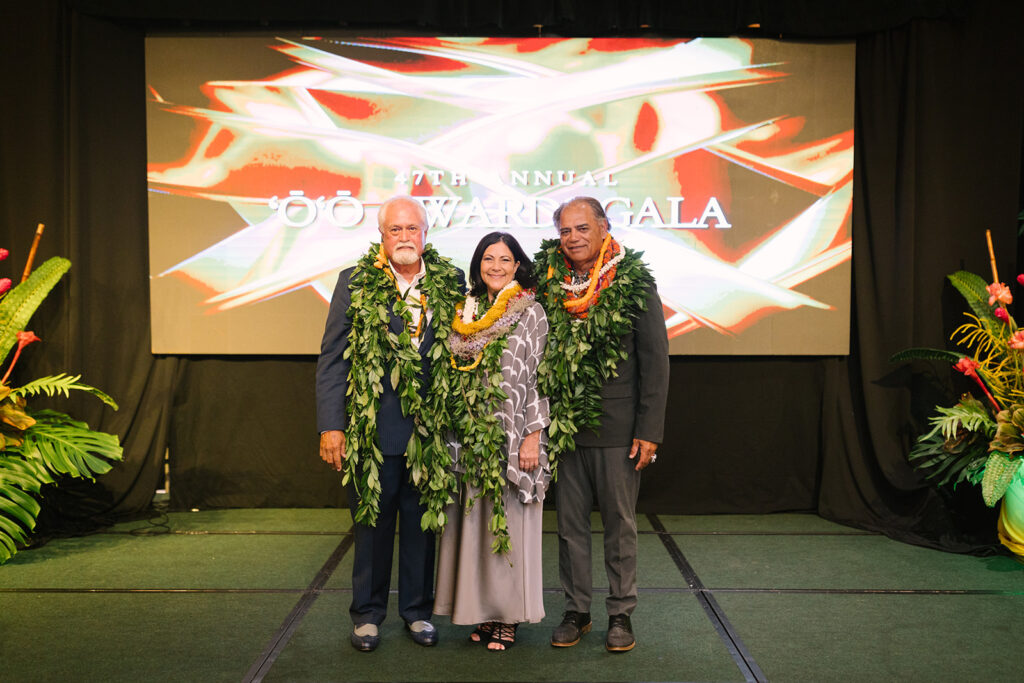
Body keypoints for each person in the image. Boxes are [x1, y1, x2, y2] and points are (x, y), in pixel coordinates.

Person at [316, 195, 463, 652]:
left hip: (431, 434)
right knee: (372, 527)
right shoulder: (354, 282)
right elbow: (332, 360)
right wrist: (330, 425)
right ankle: (367, 615)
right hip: (372, 431)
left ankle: (417, 613)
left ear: (425, 234)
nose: (404, 237)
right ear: (382, 237)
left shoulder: (451, 280)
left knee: (422, 526)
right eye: (395, 230)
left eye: (412, 229)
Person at [535, 196, 669, 653]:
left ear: (604, 227)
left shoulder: (634, 281)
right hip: (564, 426)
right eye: (566, 230)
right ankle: (576, 611)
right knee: (570, 527)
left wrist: (649, 428)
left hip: (618, 428)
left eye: (582, 228)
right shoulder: (549, 281)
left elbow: (655, 360)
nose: (573, 237)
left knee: (619, 525)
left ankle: (620, 613)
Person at [433, 232, 550, 652]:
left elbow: (539, 378)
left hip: (514, 435)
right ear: (478, 264)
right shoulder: (465, 311)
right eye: (488, 258)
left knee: (508, 527)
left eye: (504, 258)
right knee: (472, 526)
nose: (495, 266)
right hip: (466, 439)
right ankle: (480, 611)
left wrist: (534, 435)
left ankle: (508, 618)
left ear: (518, 265)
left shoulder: (531, 311)